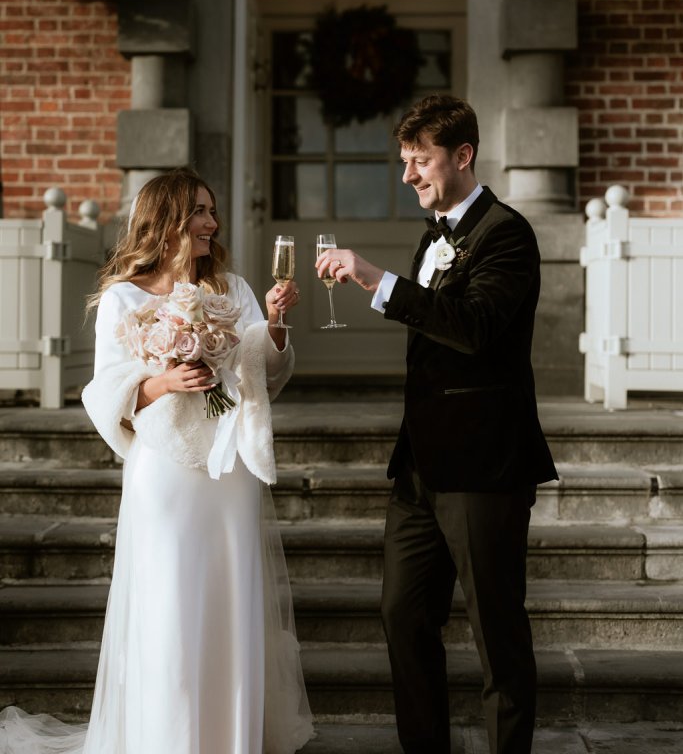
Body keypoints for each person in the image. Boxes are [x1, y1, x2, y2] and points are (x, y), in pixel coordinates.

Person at [0, 168, 314, 754]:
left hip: (227, 467)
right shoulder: (123, 295)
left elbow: (262, 377)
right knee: (168, 601)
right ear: (167, 218)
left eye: (212, 212)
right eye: (200, 211)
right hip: (165, 469)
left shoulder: (234, 288)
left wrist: (271, 323)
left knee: (229, 599)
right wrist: (166, 380)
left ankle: (229, 738)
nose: (211, 223)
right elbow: (107, 390)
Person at [315, 95, 557, 754]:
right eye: (404, 162)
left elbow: (475, 330)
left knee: (495, 631)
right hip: (419, 467)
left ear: (462, 155)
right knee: (402, 614)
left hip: (483, 466)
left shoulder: (505, 232)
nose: (408, 176)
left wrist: (376, 280)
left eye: (418, 161)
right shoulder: (434, 233)